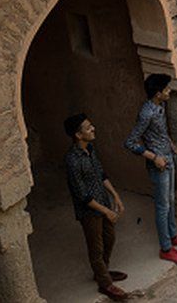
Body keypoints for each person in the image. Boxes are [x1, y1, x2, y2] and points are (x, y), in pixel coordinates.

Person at [124, 73, 177, 264]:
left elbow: (160, 131)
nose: (169, 91)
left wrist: (170, 143)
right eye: (165, 89)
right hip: (159, 164)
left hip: (168, 158)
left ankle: (173, 235)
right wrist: (154, 157)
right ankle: (166, 248)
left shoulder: (160, 106)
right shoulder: (146, 113)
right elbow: (130, 142)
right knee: (162, 206)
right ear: (158, 93)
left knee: (170, 200)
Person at [64, 114, 129, 301]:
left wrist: (115, 197)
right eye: (87, 127)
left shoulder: (90, 149)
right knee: (96, 247)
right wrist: (106, 211)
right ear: (78, 135)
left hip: (102, 202)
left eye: (91, 125)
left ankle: (103, 271)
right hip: (89, 211)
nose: (93, 129)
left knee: (110, 238)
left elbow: (101, 174)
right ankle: (105, 283)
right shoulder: (72, 160)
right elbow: (82, 196)